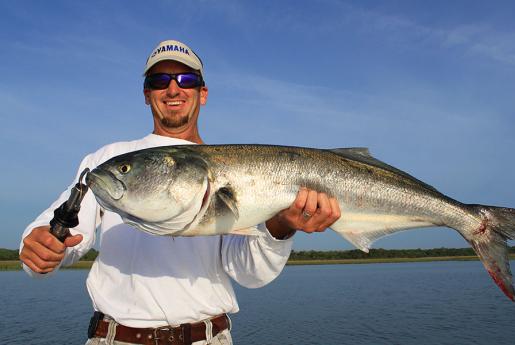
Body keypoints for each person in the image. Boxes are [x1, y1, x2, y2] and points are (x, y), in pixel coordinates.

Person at [19, 39, 341, 345]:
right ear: (147, 94)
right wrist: (40, 250)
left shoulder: (237, 173)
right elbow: (56, 236)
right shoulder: (106, 161)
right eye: (160, 80)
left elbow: (249, 274)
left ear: (202, 93)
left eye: (186, 79)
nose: (173, 88)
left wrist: (281, 227)